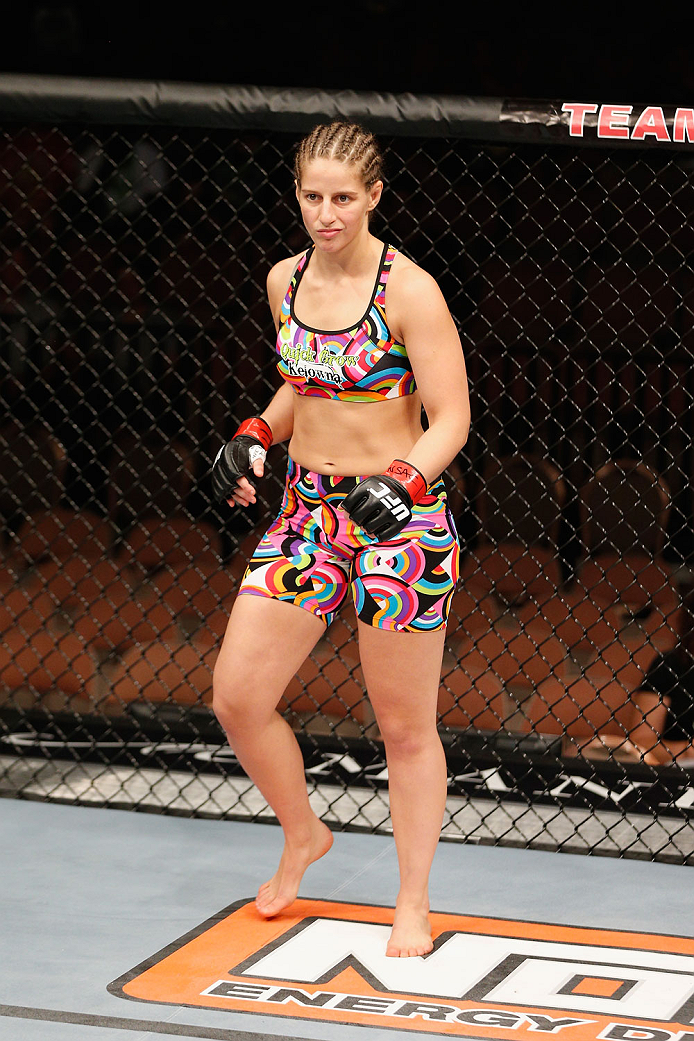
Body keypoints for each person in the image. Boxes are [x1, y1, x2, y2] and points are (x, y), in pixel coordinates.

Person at [211, 122, 470, 958]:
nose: (327, 213)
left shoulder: (411, 291)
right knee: (238, 696)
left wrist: (402, 482)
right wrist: (256, 431)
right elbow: (303, 383)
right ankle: (303, 833)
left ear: (375, 197)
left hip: (400, 522)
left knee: (403, 725)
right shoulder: (283, 279)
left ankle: (414, 897)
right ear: (297, 195)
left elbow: (453, 418)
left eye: (344, 198)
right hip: (309, 515)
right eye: (313, 196)